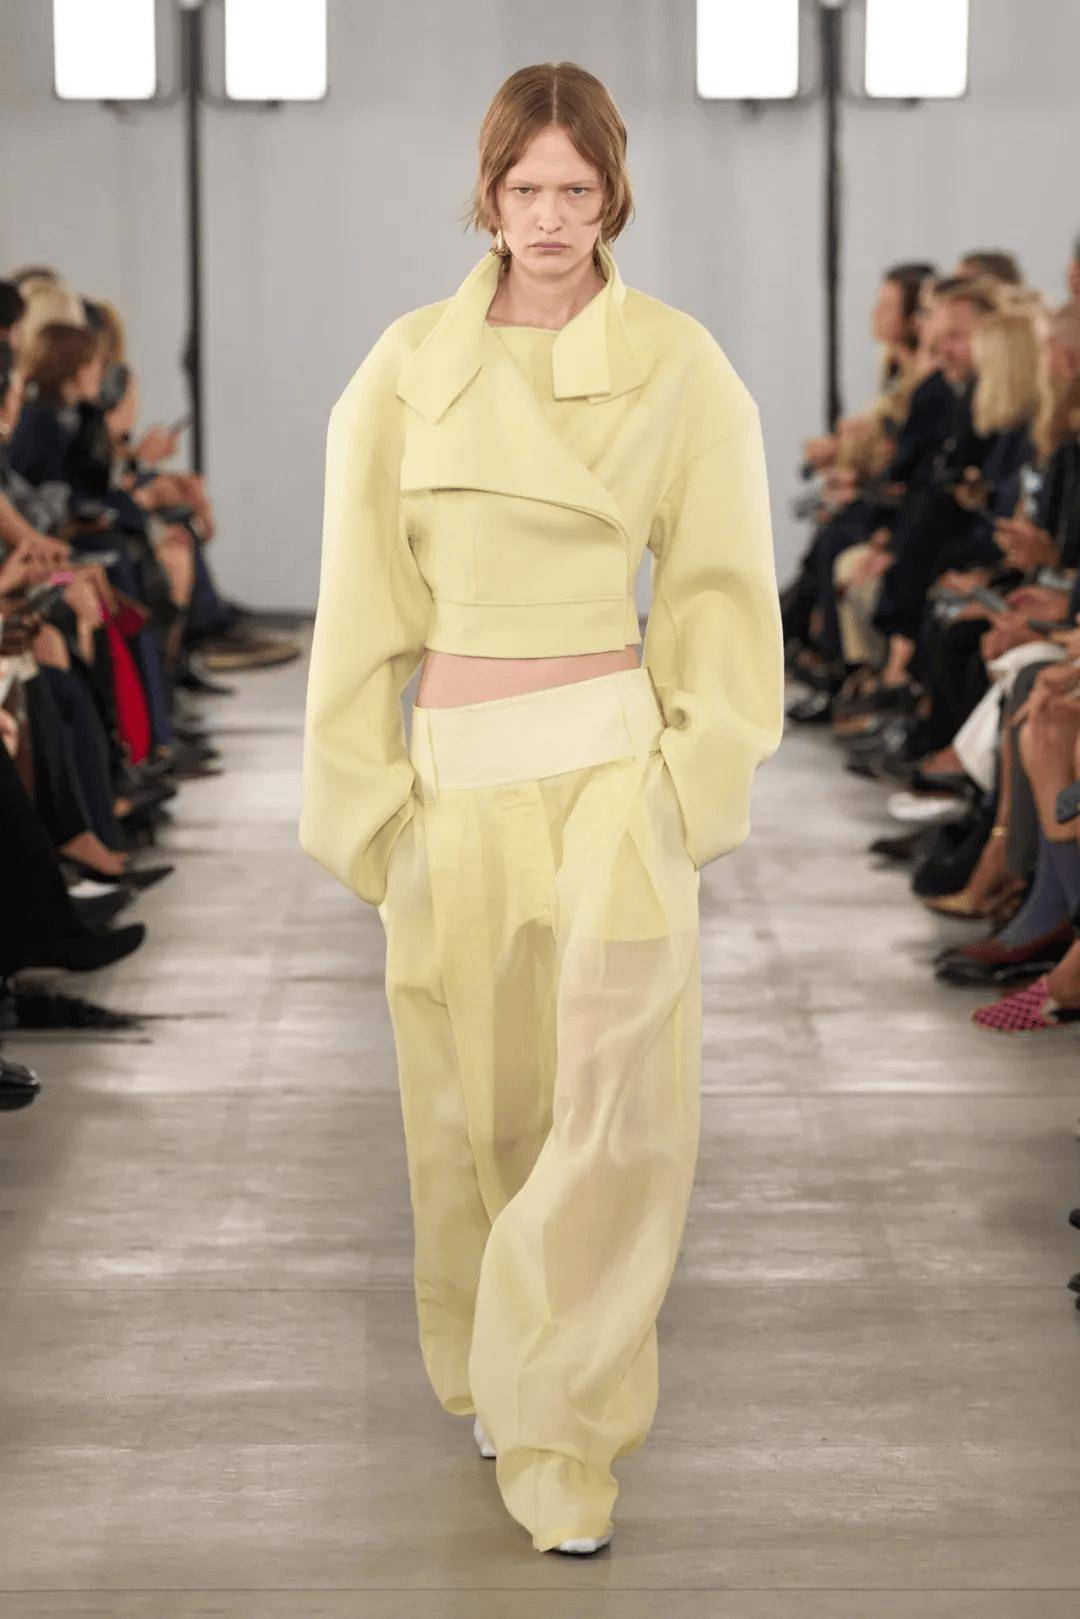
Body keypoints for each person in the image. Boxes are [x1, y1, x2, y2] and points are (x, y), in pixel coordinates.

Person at [299, 60, 784, 1557]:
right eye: (528, 189)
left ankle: (564, 1431)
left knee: (619, 1115)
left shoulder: (680, 366)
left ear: (614, 193)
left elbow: (720, 589)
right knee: (481, 1111)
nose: (554, 217)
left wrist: (693, 777)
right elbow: (359, 601)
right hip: (458, 777)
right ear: (489, 194)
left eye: (580, 189)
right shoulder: (406, 368)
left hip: (613, 775)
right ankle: (499, 1363)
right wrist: (370, 808)